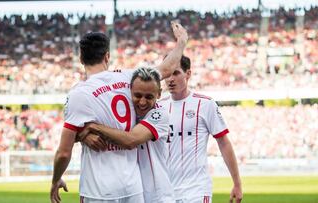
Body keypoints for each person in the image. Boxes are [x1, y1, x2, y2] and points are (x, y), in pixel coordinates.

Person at [50, 22, 188, 203]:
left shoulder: (78, 94)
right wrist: (182, 42)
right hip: (132, 186)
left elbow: (63, 152)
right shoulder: (129, 78)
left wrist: (55, 179)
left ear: (81, 59)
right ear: (107, 56)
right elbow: (167, 68)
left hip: (97, 190)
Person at [80, 67, 175, 203]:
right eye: (137, 95)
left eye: (149, 97)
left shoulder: (159, 114)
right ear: (129, 91)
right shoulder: (127, 111)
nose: (142, 102)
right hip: (134, 194)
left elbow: (131, 140)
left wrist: (93, 127)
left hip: (158, 197)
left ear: (159, 94)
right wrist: (84, 134)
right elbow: (74, 129)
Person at [160, 55, 243, 203]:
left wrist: (237, 183)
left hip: (196, 190)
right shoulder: (158, 107)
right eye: (167, 74)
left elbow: (223, 143)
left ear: (188, 74)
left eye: (176, 73)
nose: (170, 79)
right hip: (165, 192)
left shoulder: (205, 104)